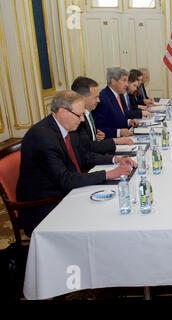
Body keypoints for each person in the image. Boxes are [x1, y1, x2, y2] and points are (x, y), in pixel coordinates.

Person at [16, 91, 137, 236]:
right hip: (46, 203)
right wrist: (109, 174)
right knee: (104, 219)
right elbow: (65, 180)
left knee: (115, 204)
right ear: (62, 112)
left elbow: (84, 156)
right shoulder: (43, 137)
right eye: (79, 115)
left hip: (67, 190)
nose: (82, 120)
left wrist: (115, 159)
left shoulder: (68, 128)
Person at [71, 76, 134, 157]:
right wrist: (116, 141)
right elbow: (87, 148)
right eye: (95, 97)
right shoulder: (78, 119)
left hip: (98, 153)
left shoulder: (89, 113)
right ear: (82, 98)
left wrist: (98, 136)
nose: (99, 100)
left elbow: (93, 137)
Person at [92, 67, 138, 139]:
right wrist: (118, 132)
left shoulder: (120, 95)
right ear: (113, 81)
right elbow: (98, 129)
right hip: (112, 142)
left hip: (125, 138)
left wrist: (128, 122)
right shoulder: (102, 98)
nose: (127, 84)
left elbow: (118, 119)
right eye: (124, 80)